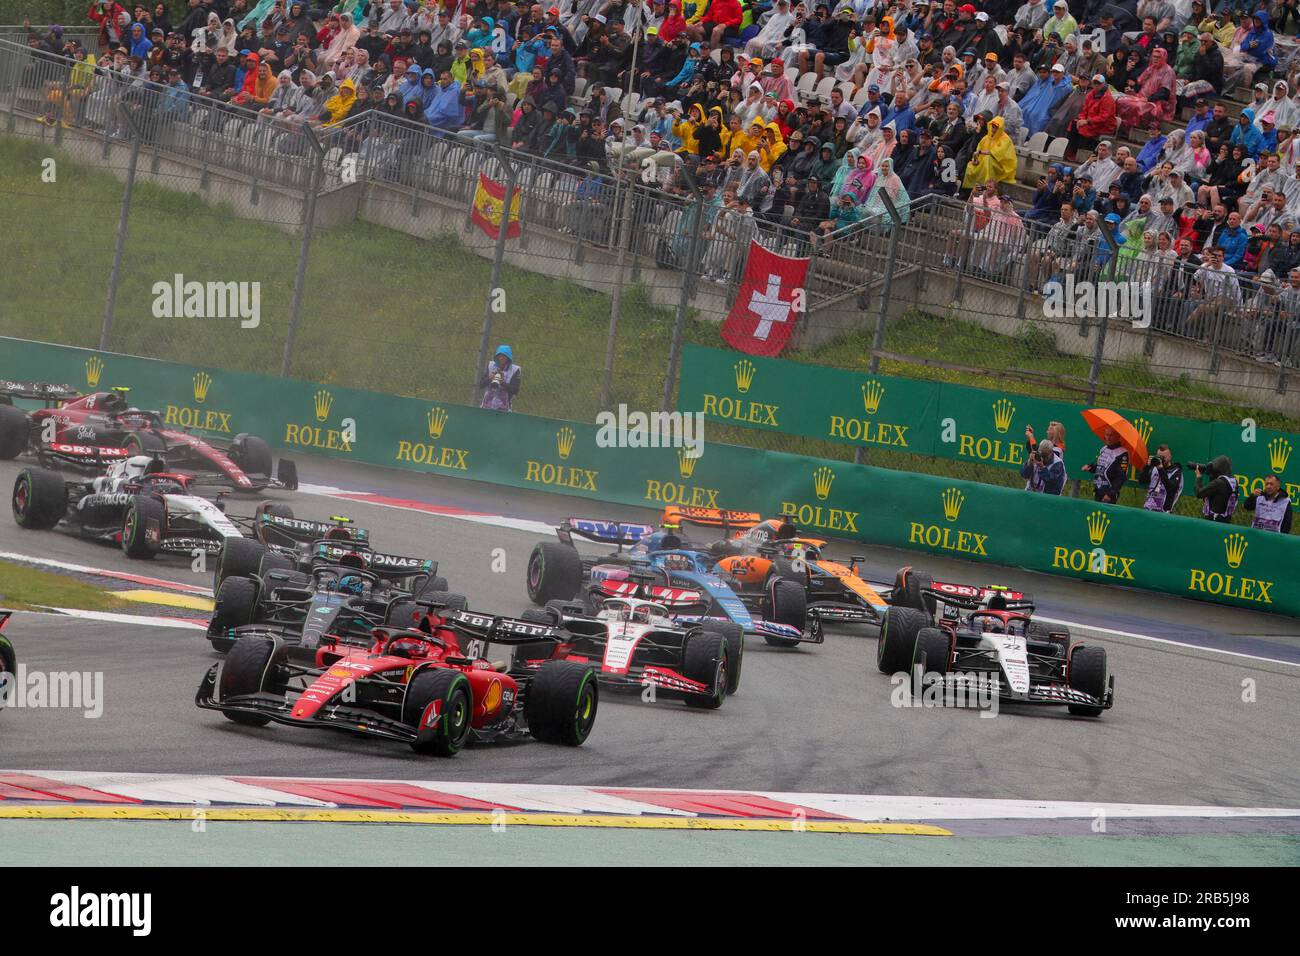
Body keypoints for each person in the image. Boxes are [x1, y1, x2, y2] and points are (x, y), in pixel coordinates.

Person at [1081, 426, 1128, 503]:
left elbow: (1121, 477)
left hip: (1108, 494)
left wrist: (1110, 494)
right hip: (1098, 490)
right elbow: (1100, 467)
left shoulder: (1122, 453)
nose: (1108, 438)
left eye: (1111, 435)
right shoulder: (1104, 449)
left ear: (1118, 436)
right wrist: (1090, 468)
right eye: (1106, 435)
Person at [1138, 444, 1184, 512]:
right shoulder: (1154, 468)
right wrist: (1147, 467)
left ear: (1170, 457)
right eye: (1159, 457)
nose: (1161, 459)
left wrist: (1160, 469)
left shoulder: (1176, 472)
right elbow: (1141, 481)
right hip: (1148, 509)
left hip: (1164, 512)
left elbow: (1171, 488)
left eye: (1163, 457)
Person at [1193, 455, 1238, 522]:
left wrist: (1198, 477)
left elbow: (1199, 493)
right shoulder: (1232, 482)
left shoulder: (1219, 483)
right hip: (1225, 520)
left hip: (1214, 521)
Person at [479, 345, 521, 411]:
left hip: (505, 409)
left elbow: (515, 390)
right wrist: (490, 379)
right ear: (496, 357)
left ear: (508, 358)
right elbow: (481, 385)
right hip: (486, 406)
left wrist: (502, 382)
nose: (501, 358)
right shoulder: (491, 365)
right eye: (499, 356)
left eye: (503, 356)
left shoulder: (515, 370)